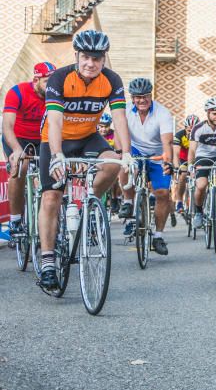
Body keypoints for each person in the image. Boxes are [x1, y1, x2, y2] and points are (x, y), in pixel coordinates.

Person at [37, 30, 130, 290]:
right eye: (86, 57)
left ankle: (89, 202)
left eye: (97, 58)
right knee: (51, 196)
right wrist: (57, 157)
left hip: (88, 136)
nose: (91, 63)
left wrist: (128, 153)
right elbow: (55, 121)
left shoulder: (111, 80)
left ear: (103, 59)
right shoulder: (59, 78)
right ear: (77, 55)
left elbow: (120, 118)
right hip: (56, 139)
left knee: (113, 163)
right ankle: (47, 261)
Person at [119, 77, 174, 255]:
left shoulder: (163, 113)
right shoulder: (125, 111)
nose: (141, 100)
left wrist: (167, 162)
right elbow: (120, 137)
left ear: (151, 95)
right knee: (124, 163)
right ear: (132, 98)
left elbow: (167, 142)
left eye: (145, 96)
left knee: (163, 194)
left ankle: (158, 236)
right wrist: (123, 153)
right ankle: (127, 201)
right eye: (137, 97)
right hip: (134, 149)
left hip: (157, 154)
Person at [2, 61, 55, 243]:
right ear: (36, 80)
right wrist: (16, 150)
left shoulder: (55, 95)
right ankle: (15, 220)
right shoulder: (17, 92)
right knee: (21, 165)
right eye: (48, 81)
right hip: (17, 137)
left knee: (53, 171)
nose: (51, 86)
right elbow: (7, 126)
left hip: (42, 139)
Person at [189, 97, 216, 231]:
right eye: (215, 114)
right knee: (201, 185)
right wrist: (190, 165)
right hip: (203, 157)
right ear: (208, 114)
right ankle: (199, 212)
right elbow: (192, 149)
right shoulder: (198, 128)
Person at [171, 114, 198, 214]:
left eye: (194, 130)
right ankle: (179, 201)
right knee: (183, 175)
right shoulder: (179, 135)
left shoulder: (201, 135)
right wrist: (177, 167)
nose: (191, 133)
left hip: (197, 159)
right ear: (185, 128)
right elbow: (176, 154)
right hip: (184, 160)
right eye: (189, 130)